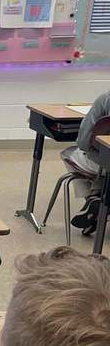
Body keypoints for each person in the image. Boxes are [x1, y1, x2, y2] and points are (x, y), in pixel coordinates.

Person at [62, 89, 110, 236]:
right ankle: (98, 195)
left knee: (69, 153)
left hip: (105, 162)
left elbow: (83, 142)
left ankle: (92, 199)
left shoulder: (105, 99)